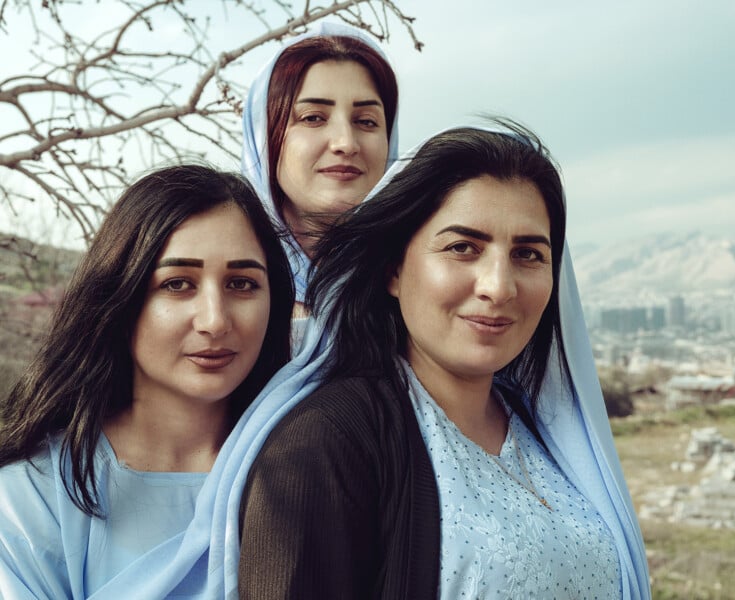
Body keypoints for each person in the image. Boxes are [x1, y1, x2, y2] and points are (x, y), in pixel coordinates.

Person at [237, 122, 652, 599]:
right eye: (462, 248)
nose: (498, 286)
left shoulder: (551, 434)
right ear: (394, 267)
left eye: (528, 254)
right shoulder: (327, 443)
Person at [0, 164, 294, 599]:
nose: (215, 320)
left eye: (242, 283)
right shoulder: (31, 496)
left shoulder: (308, 470)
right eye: (177, 284)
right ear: (119, 297)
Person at [240, 21, 399, 320]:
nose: (346, 143)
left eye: (366, 121)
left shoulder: (415, 279)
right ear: (264, 137)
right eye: (313, 118)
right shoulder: (223, 278)